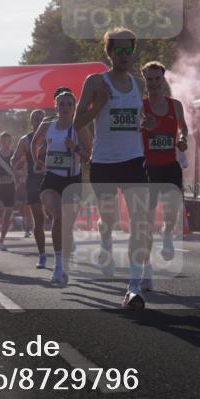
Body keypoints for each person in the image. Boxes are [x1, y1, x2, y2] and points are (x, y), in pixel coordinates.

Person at [74, 27, 151, 310]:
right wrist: (99, 106)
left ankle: (133, 288)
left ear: (133, 52)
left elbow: (136, 119)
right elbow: (77, 122)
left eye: (128, 49)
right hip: (104, 161)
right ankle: (105, 238)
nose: (123, 54)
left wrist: (146, 124)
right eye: (117, 49)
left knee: (139, 223)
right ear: (109, 53)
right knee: (110, 221)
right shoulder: (96, 82)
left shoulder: (137, 83)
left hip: (133, 160)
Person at [32, 89, 93, 286]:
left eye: (69, 104)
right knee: (58, 217)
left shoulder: (79, 127)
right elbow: (34, 143)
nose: (65, 107)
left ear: (74, 107)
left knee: (66, 224)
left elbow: (89, 155)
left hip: (72, 181)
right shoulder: (47, 125)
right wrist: (37, 161)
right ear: (55, 106)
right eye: (62, 104)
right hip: (51, 179)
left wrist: (74, 148)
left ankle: (64, 263)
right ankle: (58, 265)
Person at [140, 61, 189, 286]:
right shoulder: (140, 107)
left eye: (157, 79)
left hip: (170, 165)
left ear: (163, 79)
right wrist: (143, 127)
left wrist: (182, 139)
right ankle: (146, 269)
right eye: (149, 79)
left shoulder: (174, 105)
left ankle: (167, 233)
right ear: (145, 81)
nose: (153, 83)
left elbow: (183, 128)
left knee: (173, 210)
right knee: (147, 221)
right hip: (149, 168)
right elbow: (132, 131)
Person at [12, 110, 48, 268]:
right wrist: (21, 166)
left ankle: (63, 250)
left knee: (57, 217)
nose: (39, 121)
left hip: (52, 178)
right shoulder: (25, 140)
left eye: (41, 118)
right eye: (35, 119)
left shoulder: (54, 136)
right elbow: (14, 162)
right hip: (33, 181)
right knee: (38, 220)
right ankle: (42, 255)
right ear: (31, 122)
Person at [0, 132, 18, 251]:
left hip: (10, 187)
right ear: (1, 142)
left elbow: (20, 169)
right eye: (4, 141)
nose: (6, 143)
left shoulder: (14, 155)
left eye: (8, 141)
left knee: (7, 215)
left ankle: (1, 240)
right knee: (0, 209)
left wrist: (19, 176)